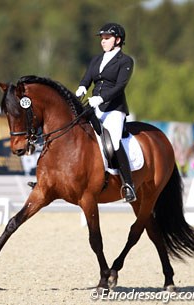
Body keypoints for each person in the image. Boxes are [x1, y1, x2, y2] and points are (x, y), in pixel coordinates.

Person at [75, 22, 136, 202]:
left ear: (117, 40)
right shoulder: (96, 59)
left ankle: (128, 184)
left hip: (114, 109)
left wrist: (101, 98)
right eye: (102, 38)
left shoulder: (125, 61)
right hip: (93, 106)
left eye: (107, 38)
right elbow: (87, 78)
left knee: (114, 141)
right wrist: (81, 88)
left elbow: (120, 86)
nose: (103, 42)